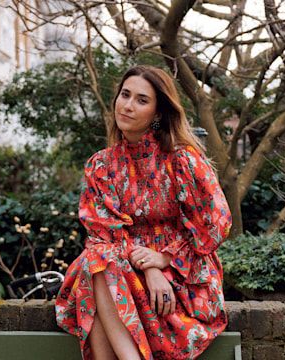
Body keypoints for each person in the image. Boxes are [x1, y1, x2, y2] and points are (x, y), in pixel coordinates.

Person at [55, 65, 232, 360]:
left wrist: (165, 259)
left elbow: (217, 223)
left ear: (158, 113)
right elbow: (104, 233)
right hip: (123, 269)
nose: (127, 105)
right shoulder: (101, 165)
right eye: (125, 95)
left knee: (99, 272)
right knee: (99, 258)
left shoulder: (182, 159)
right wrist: (148, 266)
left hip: (182, 276)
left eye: (141, 100)